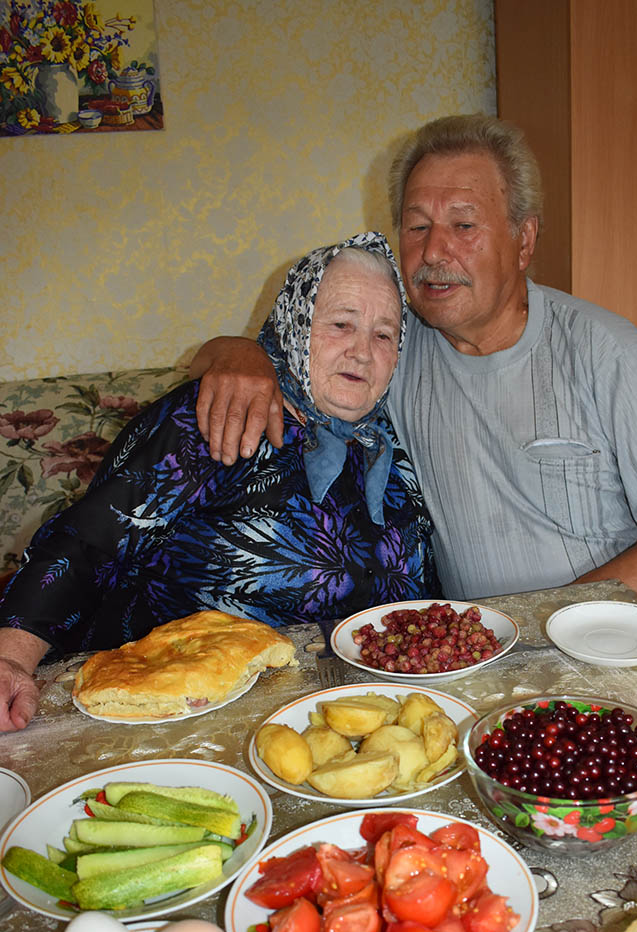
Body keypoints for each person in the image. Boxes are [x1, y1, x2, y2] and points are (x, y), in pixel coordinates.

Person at [190, 113, 637, 685]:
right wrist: (237, 352)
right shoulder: (391, 350)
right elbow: (275, 355)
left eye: (464, 225)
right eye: (416, 228)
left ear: (524, 239)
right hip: (496, 664)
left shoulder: (603, 350)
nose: (435, 250)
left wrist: (539, 622)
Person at [0, 232, 438, 731]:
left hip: (359, 715)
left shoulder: (393, 444)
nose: (363, 352)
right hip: (188, 714)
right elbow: (90, 543)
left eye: (384, 335)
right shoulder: (224, 411)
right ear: (296, 325)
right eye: (341, 324)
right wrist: (12, 659)